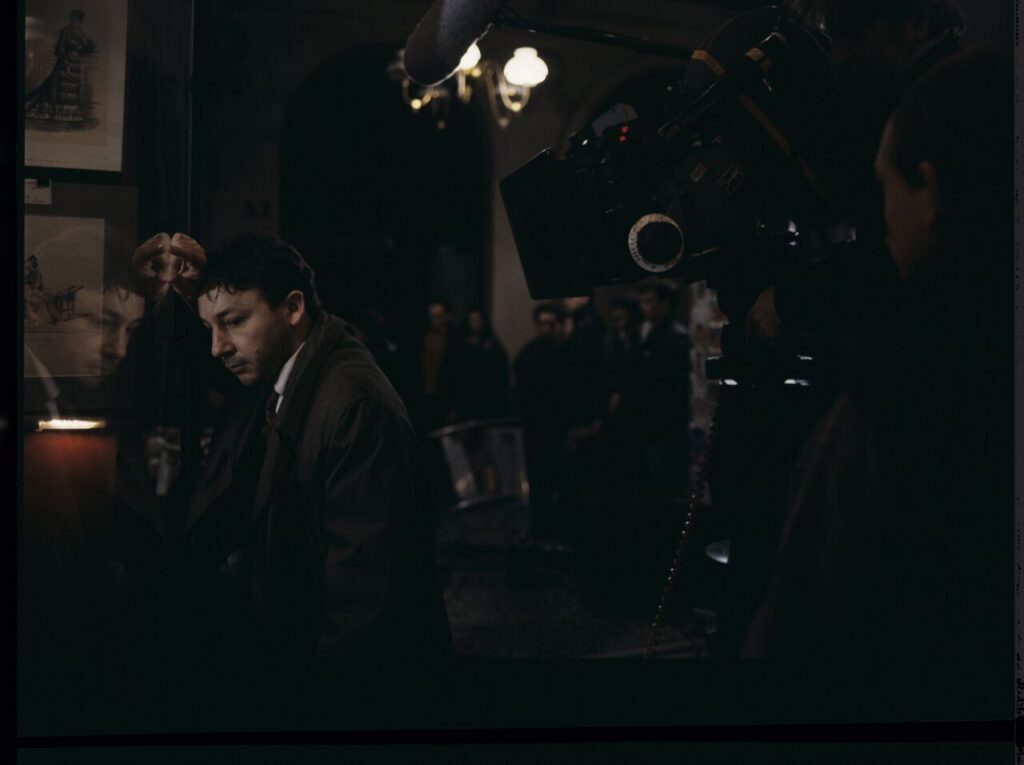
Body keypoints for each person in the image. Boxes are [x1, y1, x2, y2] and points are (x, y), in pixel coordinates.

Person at [743, 49, 1012, 679]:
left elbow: (796, 635)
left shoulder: (890, 402)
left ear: (932, 191)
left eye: (887, 187)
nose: (882, 218)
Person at [190, 233, 451, 659]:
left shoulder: (355, 406)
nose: (218, 346)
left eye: (234, 322)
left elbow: (364, 600)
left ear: (293, 308)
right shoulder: (285, 365)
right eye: (209, 328)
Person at [616, 281, 691, 495]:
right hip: (645, 426)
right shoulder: (646, 333)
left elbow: (661, 382)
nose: (643, 307)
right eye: (642, 302)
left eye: (649, 301)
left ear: (664, 303)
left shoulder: (675, 337)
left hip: (662, 427)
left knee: (663, 490)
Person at [513, 303, 571, 543]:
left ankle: (552, 532)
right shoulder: (531, 354)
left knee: (558, 482)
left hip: (555, 428)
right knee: (540, 483)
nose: (546, 328)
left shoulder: (559, 352)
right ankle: (542, 532)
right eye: (542, 323)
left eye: (550, 323)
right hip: (538, 428)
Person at [25, 9, 96, 125]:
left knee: (73, 90)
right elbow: (61, 47)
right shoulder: (65, 31)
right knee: (62, 89)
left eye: (77, 20)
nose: (75, 22)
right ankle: (59, 113)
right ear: (71, 19)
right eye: (73, 19)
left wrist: (82, 42)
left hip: (76, 66)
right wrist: (65, 61)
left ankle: (71, 114)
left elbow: (87, 47)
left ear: (80, 21)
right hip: (65, 63)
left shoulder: (81, 33)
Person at [451, 305, 509, 421]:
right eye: (472, 320)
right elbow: (455, 372)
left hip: (488, 396)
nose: (475, 323)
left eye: (477, 320)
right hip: (466, 396)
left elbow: (501, 370)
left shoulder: (492, 344)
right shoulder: (461, 345)